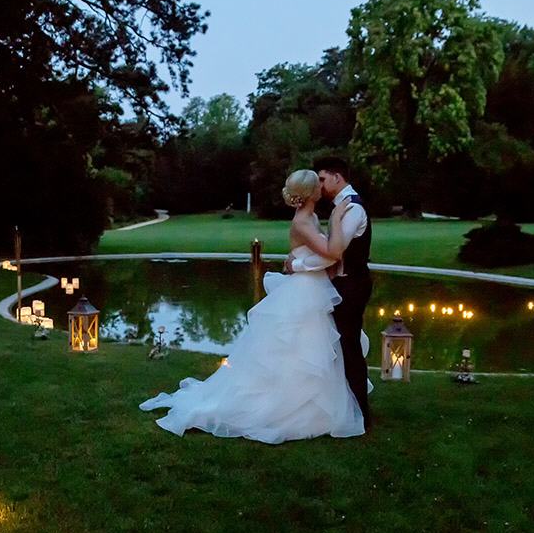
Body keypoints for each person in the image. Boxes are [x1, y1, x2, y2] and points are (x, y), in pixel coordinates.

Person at [139, 169, 365, 444]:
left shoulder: (313, 217)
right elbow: (332, 252)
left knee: (312, 350)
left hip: (312, 289)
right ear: (309, 194)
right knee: (298, 350)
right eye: (316, 183)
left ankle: (312, 407)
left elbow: (325, 254)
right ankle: (288, 408)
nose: (321, 186)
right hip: (303, 292)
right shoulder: (303, 223)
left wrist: (299, 261)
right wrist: (338, 219)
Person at [286, 156, 373, 430]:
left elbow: (334, 254)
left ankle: (359, 411)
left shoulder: (351, 209)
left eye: (323, 179)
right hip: (334, 286)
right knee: (333, 346)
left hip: (351, 285)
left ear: (338, 177)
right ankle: (338, 406)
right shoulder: (329, 211)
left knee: (348, 347)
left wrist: (297, 264)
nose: (320, 186)